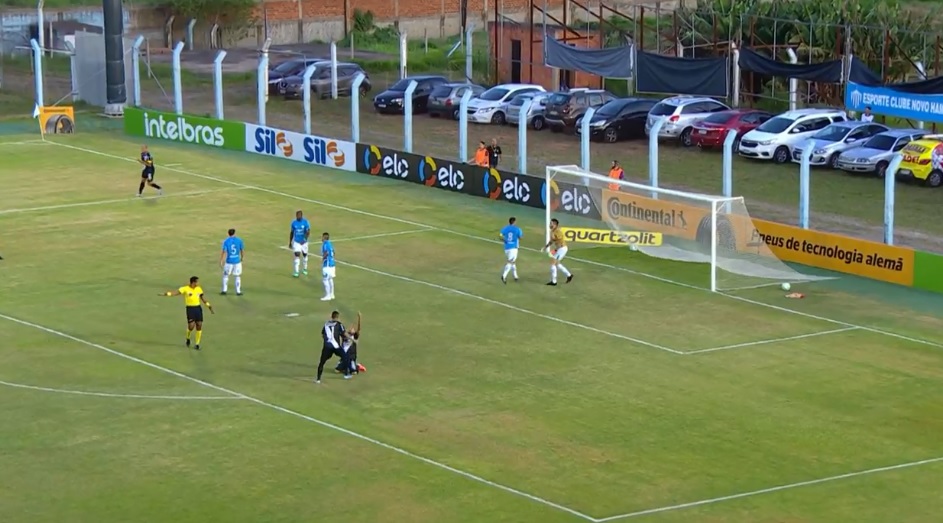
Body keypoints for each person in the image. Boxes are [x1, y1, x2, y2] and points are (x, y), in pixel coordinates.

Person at [160, 276, 214, 350]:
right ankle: (188, 338)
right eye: (196, 282)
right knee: (191, 326)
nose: (198, 283)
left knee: (199, 325)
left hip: (198, 308)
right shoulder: (185, 288)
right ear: (193, 282)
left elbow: (203, 299)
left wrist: (209, 306)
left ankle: (197, 344)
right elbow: (175, 293)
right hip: (190, 309)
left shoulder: (199, 289)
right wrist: (166, 294)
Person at [317, 311, 348, 383]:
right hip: (336, 347)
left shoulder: (326, 324)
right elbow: (344, 334)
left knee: (322, 362)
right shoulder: (339, 324)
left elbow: (322, 334)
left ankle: (318, 379)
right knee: (345, 357)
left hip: (327, 347)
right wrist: (352, 339)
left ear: (332, 316)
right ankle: (346, 374)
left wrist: (327, 341)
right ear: (337, 317)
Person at [541, 218, 573, 286]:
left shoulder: (558, 231)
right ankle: (569, 275)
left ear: (555, 225)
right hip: (559, 249)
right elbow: (551, 241)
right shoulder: (553, 231)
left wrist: (555, 248)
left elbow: (559, 238)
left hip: (562, 248)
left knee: (552, 263)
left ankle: (554, 281)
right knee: (557, 264)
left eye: (551, 223)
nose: (550, 225)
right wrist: (545, 247)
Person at [219, 228, 244, 296]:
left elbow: (224, 251)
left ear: (228, 233)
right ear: (234, 233)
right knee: (237, 276)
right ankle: (238, 291)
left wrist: (221, 260)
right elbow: (242, 250)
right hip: (237, 261)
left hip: (229, 261)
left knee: (226, 275)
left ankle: (224, 290)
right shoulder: (239, 240)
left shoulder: (226, 241)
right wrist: (242, 257)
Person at [499, 216, 523, 284]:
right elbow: (520, 237)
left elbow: (500, 235)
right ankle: (504, 276)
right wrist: (518, 237)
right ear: (514, 222)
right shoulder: (517, 229)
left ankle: (515, 276)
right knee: (510, 262)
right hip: (513, 248)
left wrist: (504, 240)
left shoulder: (505, 228)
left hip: (506, 248)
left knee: (513, 262)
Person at [288, 210, 311, 277]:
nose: (298, 216)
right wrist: (290, 242)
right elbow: (292, 232)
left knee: (305, 255)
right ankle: (296, 272)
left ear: (301, 215)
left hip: (304, 242)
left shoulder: (305, 222)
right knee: (297, 255)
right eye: (297, 215)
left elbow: (308, 232)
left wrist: (304, 239)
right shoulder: (294, 223)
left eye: (299, 215)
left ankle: (305, 269)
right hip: (297, 242)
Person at [320, 232, 336, 301]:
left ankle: (328, 295)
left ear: (324, 237)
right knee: (330, 279)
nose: (321, 238)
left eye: (322, 237)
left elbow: (326, 253)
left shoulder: (325, 244)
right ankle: (332, 294)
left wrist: (323, 258)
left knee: (325, 280)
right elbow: (334, 252)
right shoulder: (330, 244)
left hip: (327, 265)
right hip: (332, 264)